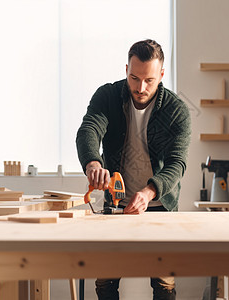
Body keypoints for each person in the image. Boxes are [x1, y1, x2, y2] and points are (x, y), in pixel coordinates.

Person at [76, 39, 191, 300]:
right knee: (105, 281)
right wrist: (93, 162)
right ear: (126, 69)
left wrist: (150, 192)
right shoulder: (107, 97)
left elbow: (177, 164)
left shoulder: (177, 111)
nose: (141, 88)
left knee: (163, 285)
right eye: (134, 78)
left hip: (160, 207)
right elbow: (89, 130)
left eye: (149, 80)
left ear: (162, 75)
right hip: (115, 207)